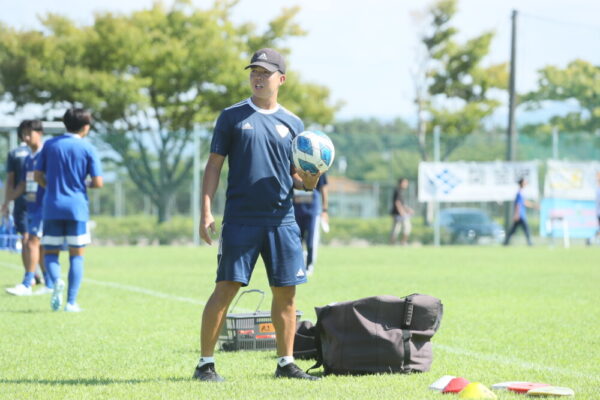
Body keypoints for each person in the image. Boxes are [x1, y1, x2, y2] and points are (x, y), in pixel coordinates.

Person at [194, 48, 321, 382]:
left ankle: (286, 363)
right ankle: (205, 364)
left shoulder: (294, 123)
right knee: (226, 288)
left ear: (281, 79)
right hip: (241, 220)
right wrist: (206, 210)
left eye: (265, 73)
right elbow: (214, 165)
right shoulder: (231, 117)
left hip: (283, 221)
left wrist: (310, 180)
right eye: (254, 72)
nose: (258, 78)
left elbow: (296, 177)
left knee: (287, 293)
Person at [34, 108, 103, 312]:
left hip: (52, 205)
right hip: (77, 208)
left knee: (50, 253)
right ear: (85, 127)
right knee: (76, 255)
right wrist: (82, 185)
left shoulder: (49, 145)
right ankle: (71, 302)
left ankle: (56, 281)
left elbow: (37, 176)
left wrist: (52, 187)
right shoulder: (88, 148)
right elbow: (98, 182)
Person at [4, 120, 54, 296]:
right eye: (23, 135)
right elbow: (22, 184)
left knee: (31, 241)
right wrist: (6, 202)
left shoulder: (47, 154)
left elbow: (51, 180)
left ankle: (28, 282)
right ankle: (49, 282)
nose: (25, 138)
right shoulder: (28, 158)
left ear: (39, 133)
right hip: (31, 206)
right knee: (36, 244)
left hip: (44, 206)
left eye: (28, 134)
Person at [3, 121, 35, 283]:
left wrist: (6, 202)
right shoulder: (39, 152)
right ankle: (39, 275)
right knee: (36, 239)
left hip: (21, 200)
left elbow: (10, 181)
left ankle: (30, 275)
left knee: (26, 238)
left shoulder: (14, 153)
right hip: (38, 200)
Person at [293, 173, 328, 276]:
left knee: (311, 242)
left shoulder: (318, 167)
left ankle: (309, 266)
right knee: (296, 241)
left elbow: (323, 188)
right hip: (296, 210)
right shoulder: (294, 167)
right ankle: (298, 265)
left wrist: (325, 210)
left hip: (312, 210)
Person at [504, 177, 535, 246]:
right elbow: (518, 204)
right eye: (524, 182)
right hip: (520, 215)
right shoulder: (519, 193)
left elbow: (524, 202)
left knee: (513, 230)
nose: (526, 183)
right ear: (522, 183)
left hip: (520, 215)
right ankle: (529, 242)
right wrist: (516, 214)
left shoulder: (521, 193)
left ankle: (506, 242)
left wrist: (533, 205)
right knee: (526, 229)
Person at [389, 178, 414, 245]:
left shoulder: (401, 191)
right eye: (405, 183)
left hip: (401, 213)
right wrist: (402, 212)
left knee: (403, 228)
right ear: (401, 183)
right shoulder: (397, 191)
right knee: (397, 229)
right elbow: (397, 203)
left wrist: (408, 209)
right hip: (398, 214)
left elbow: (402, 204)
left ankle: (401, 242)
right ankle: (395, 243)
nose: (406, 184)